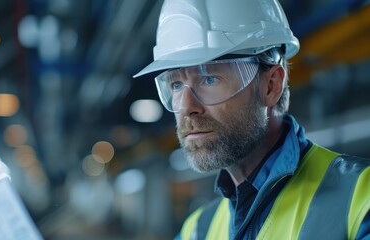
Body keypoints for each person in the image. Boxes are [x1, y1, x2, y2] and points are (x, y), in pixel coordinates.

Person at [134, 0, 370, 239]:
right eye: (176, 84)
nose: (186, 107)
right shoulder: (196, 230)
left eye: (209, 79)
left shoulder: (360, 204)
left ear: (271, 86)